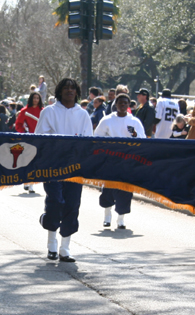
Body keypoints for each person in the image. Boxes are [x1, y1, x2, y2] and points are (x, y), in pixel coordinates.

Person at [36, 78, 93, 262]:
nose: (69, 91)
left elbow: (88, 142)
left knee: (72, 205)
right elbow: (39, 138)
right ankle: (51, 243)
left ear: (77, 92)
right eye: (66, 88)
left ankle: (65, 248)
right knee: (56, 201)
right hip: (53, 166)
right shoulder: (49, 112)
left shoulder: (83, 114)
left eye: (73, 88)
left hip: (74, 168)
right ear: (59, 91)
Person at [94, 93, 145, 229]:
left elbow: (142, 140)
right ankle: (107, 214)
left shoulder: (135, 122)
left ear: (128, 105)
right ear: (115, 105)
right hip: (110, 160)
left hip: (127, 161)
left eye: (125, 103)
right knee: (109, 189)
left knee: (125, 190)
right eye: (120, 103)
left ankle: (121, 218)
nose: (122, 105)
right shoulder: (106, 120)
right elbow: (97, 138)